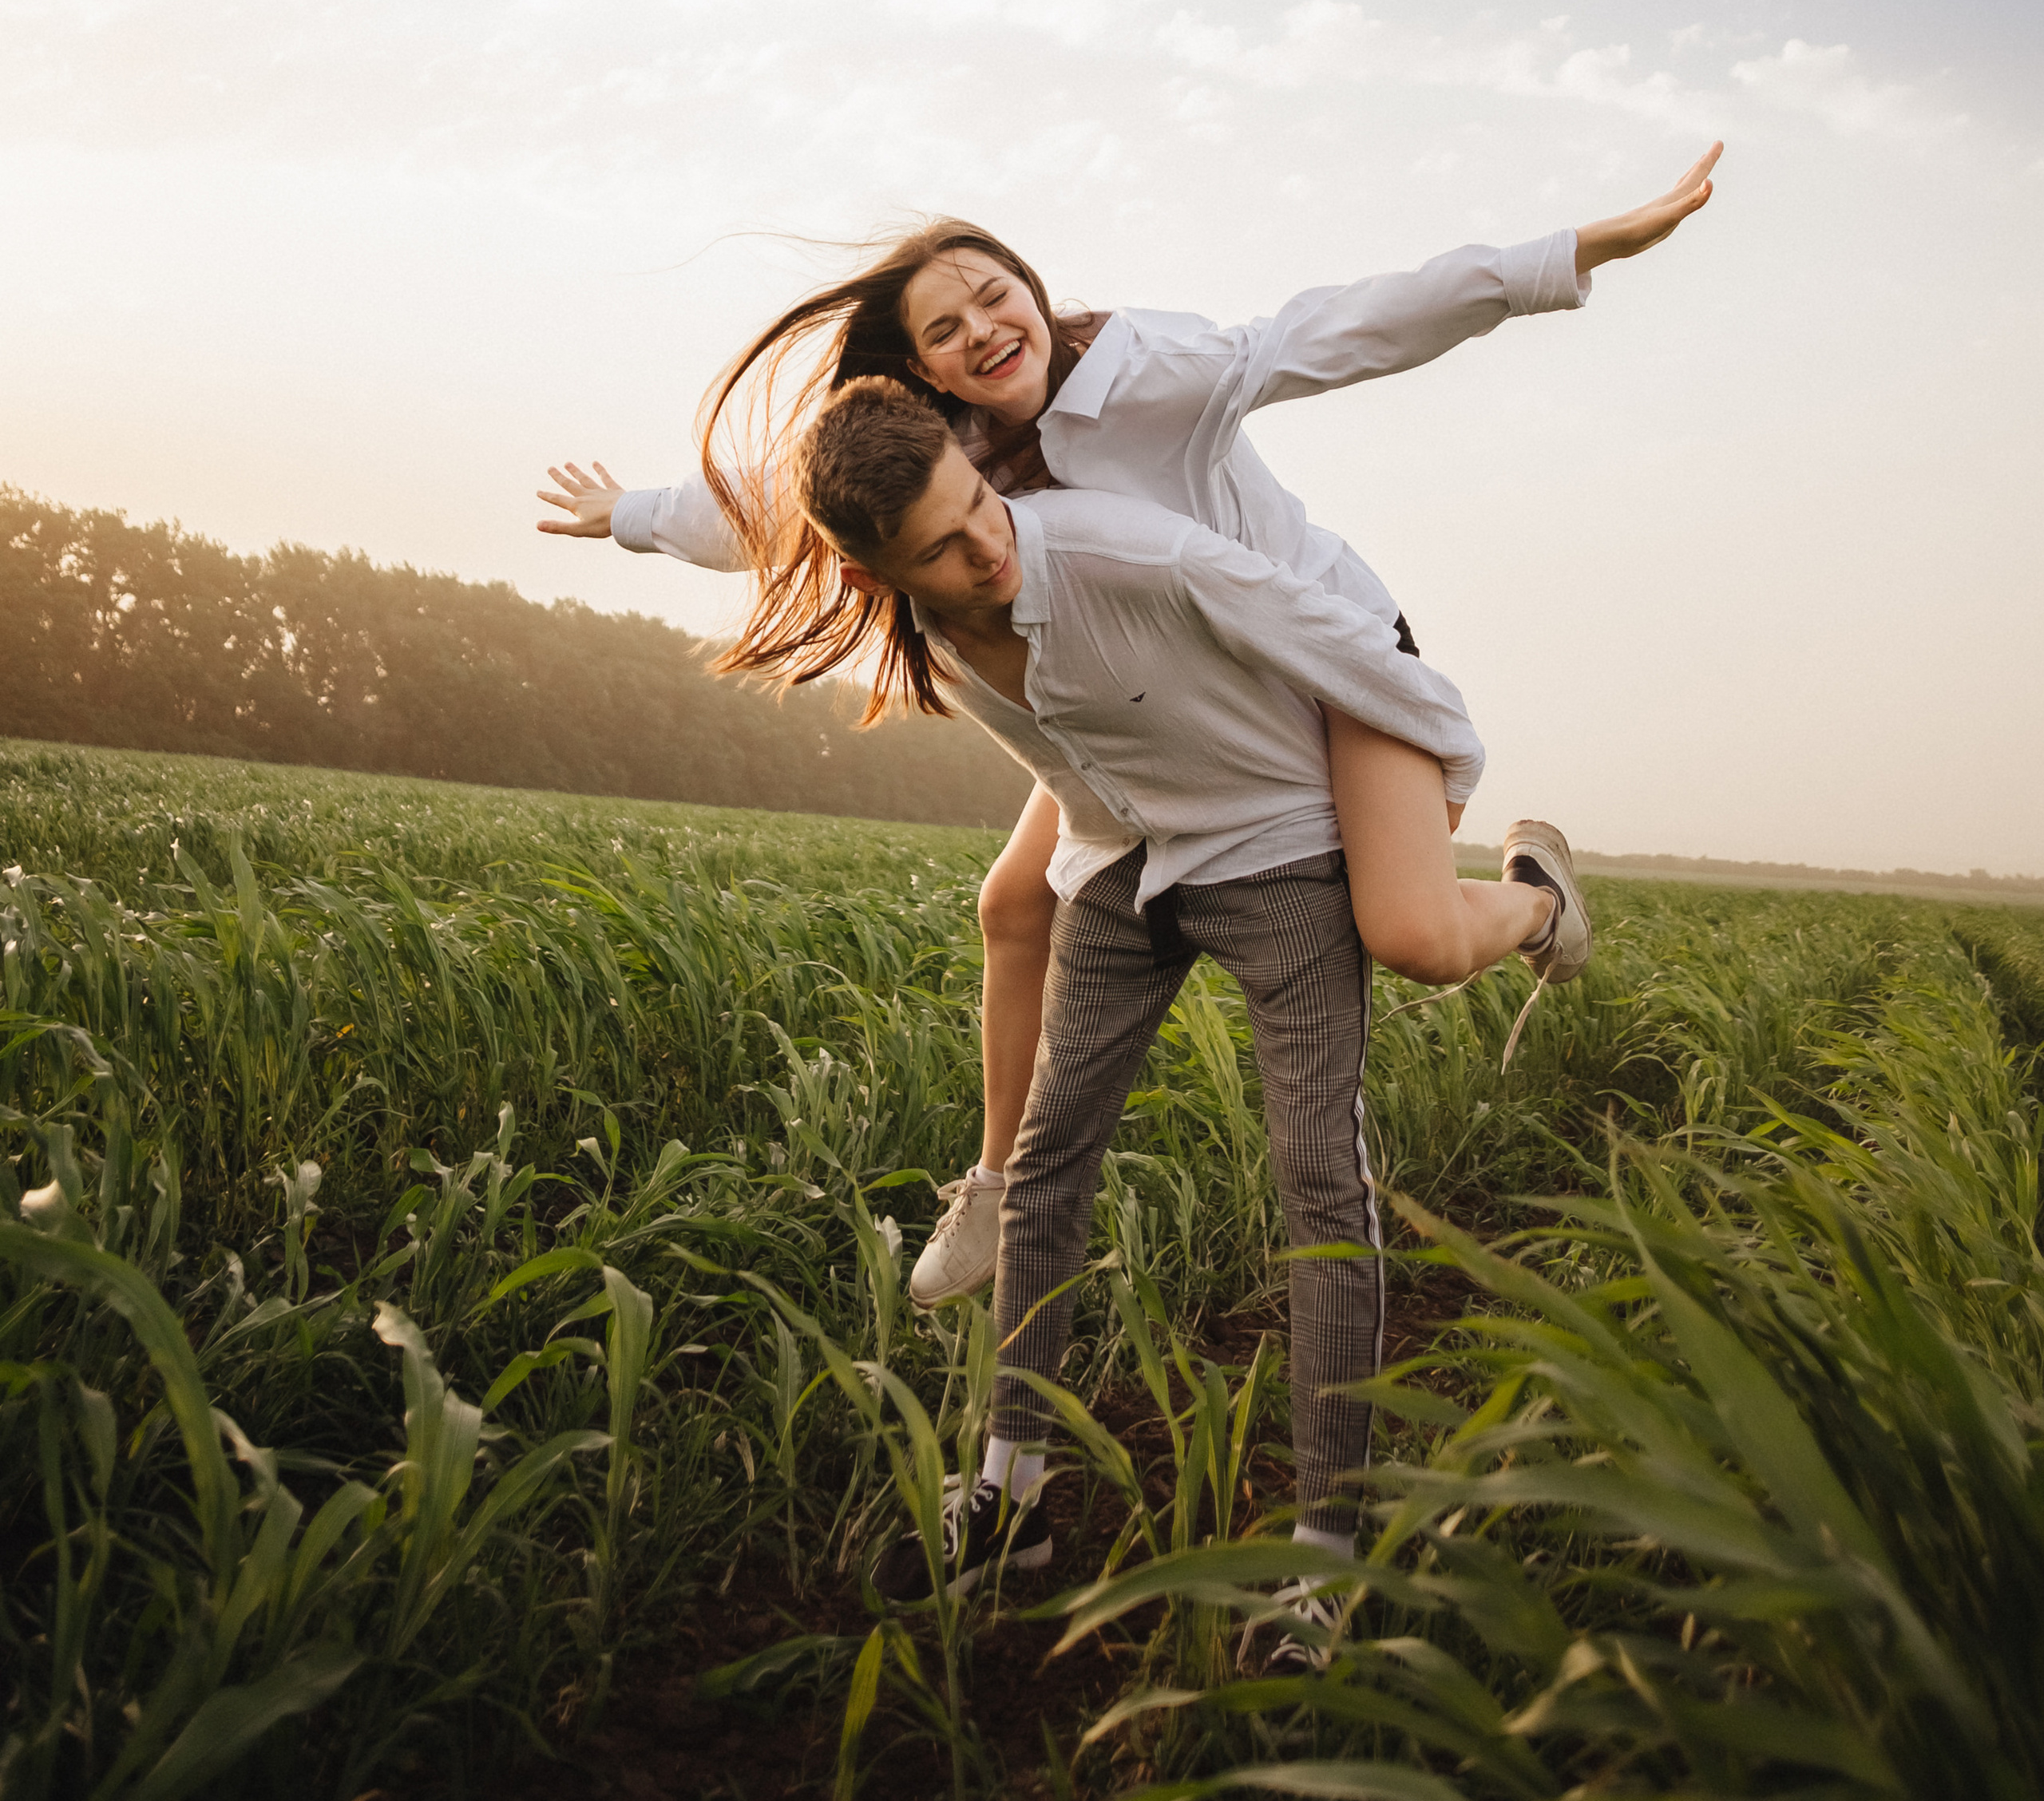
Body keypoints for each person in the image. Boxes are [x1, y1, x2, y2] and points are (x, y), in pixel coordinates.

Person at [535, 147, 1719, 1304]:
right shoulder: (954, 450)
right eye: (944, 332)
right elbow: (796, 519)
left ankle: (1538, 900)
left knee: (1412, 932)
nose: (983, 335)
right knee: (1012, 901)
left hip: (1323, 656)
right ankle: (999, 1186)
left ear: (1032, 291)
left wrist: (1565, 256)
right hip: (1165, 702)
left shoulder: (1153, 369)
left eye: (995, 297)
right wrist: (629, 514)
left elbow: (1342, 326)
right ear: (920, 366)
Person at [781, 373, 1590, 1633]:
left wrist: (1447, 780)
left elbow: (1333, 637)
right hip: (1118, 866)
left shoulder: (1129, 550)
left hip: (1276, 857)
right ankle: (1013, 1502)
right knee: (1044, 1169)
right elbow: (750, 528)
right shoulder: (925, 626)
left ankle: (1332, 1554)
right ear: (885, 573)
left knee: (1321, 1179)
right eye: (942, 545)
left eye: (979, 504)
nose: (985, 541)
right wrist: (633, 512)